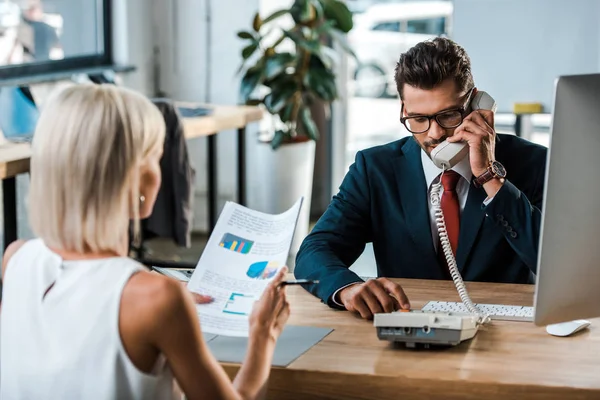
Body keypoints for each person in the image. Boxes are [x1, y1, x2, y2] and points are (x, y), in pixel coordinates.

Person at [0, 84, 290, 400]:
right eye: (155, 157)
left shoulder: (15, 259)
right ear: (132, 177)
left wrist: (145, 287)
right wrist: (264, 334)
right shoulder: (158, 300)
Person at [295, 37, 547, 320]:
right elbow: (314, 251)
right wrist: (347, 288)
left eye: (448, 115)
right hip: (410, 326)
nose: (434, 134)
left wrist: (489, 176)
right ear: (403, 110)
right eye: (418, 118)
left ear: (477, 103)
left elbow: (556, 265)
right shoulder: (374, 168)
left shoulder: (534, 163)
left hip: (506, 331)